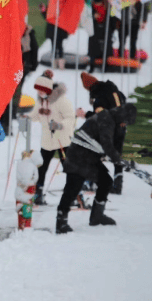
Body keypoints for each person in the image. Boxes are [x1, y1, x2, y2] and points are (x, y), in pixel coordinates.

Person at [56, 104, 136, 233]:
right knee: (72, 188)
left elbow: (109, 146)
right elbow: (107, 144)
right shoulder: (107, 120)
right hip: (78, 156)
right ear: (122, 116)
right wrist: (118, 160)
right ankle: (61, 222)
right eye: (125, 122)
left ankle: (97, 216)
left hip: (89, 157)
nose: (124, 125)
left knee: (105, 181)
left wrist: (118, 158)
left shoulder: (110, 119)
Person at [24, 70, 75, 205]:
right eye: (38, 89)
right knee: (42, 167)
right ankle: (38, 193)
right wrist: (27, 117)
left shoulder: (61, 100)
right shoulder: (40, 100)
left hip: (62, 139)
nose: (39, 92)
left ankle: (75, 194)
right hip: (47, 140)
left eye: (42, 89)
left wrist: (59, 125)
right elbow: (35, 115)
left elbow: (71, 118)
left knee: (69, 167)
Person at [76, 72, 127, 194]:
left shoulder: (99, 99)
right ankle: (118, 184)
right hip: (121, 126)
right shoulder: (115, 91)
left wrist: (85, 114)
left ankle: (91, 182)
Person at [15, 151, 42, 230]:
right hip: (30, 187)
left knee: (20, 205)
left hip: (20, 187)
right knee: (28, 206)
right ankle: (27, 223)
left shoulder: (19, 164)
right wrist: (32, 182)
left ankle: (21, 223)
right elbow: (36, 177)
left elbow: (18, 177)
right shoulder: (33, 166)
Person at [41, 2, 68, 69]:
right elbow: (46, 16)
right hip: (52, 30)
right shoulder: (50, 7)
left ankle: (60, 63)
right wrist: (43, 10)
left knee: (59, 46)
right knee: (54, 46)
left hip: (59, 30)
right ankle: (55, 63)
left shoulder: (61, 7)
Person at [88, 0, 109, 73]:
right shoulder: (91, 6)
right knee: (93, 48)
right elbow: (88, 16)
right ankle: (92, 66)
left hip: (104, 28)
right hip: (94, 29)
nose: (98, 4)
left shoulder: (106, 5)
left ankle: (105, 66)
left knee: (104, 48)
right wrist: (94, 16)